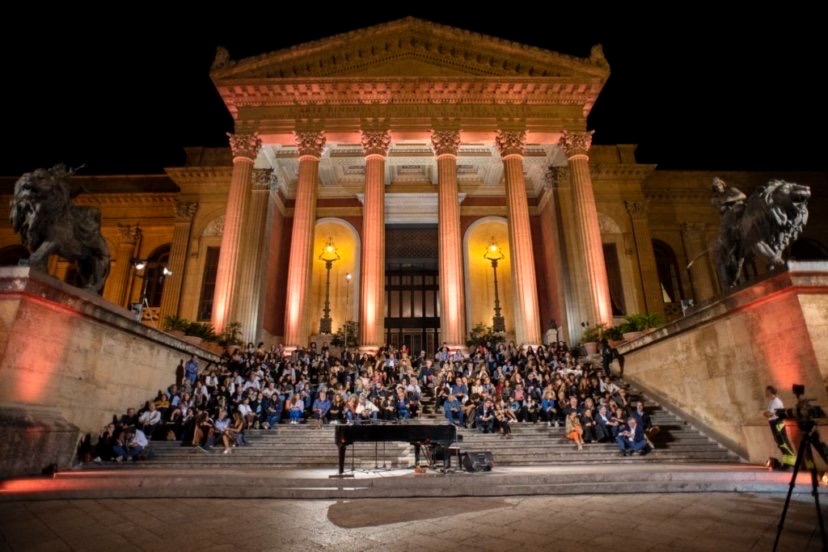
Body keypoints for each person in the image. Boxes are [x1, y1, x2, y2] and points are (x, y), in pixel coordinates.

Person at [763, 385, 796, 469]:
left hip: (777, 424)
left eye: (766, 391)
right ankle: (787, 462)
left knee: (783, 442)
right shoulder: (771, 401)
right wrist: (766, 413)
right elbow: (768, 413)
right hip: (773, 423)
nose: (765, 392)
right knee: (780, 443)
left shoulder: (776, 402)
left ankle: (792, 462)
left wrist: (766, 414)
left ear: (770, 391)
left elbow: (770, 413)